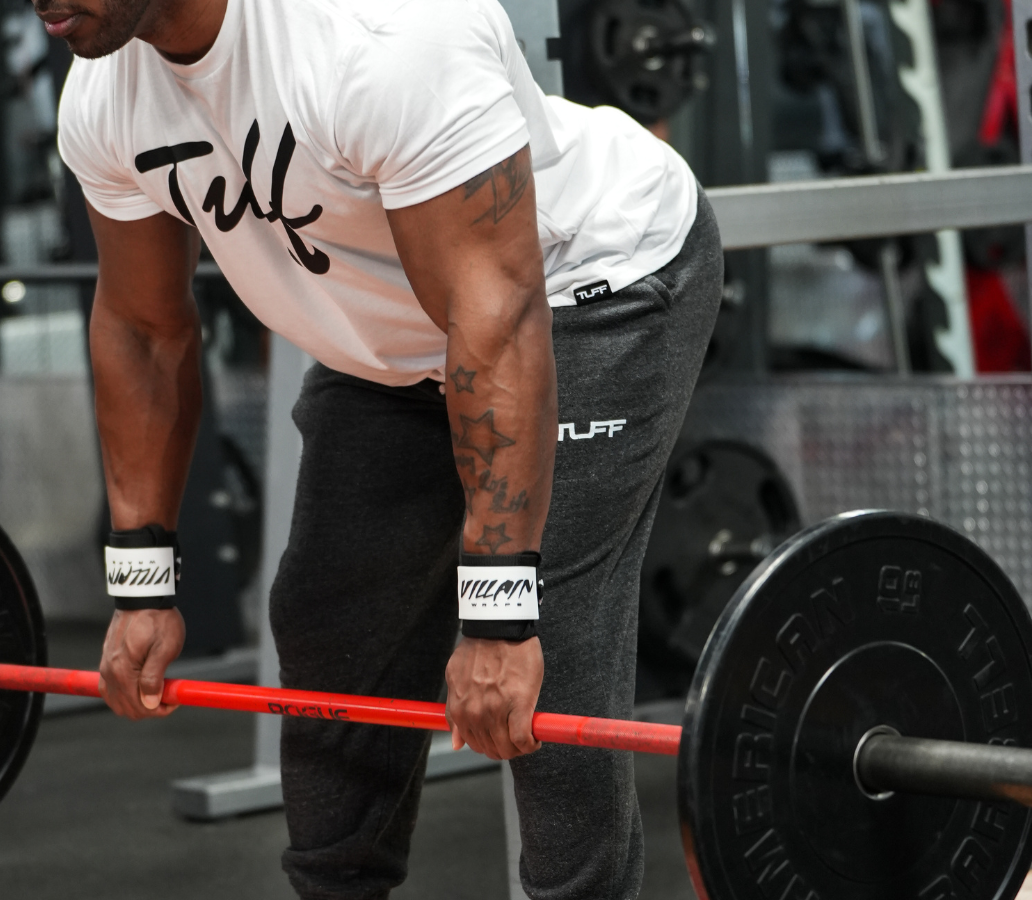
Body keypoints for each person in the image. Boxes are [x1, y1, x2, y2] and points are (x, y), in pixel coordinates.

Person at [39, 0, 722, 895]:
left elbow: (498, 316)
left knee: (546, 654)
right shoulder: (103, 92)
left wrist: (498, 614)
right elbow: (142, 330)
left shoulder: (384, 40)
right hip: (404, 337)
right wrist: (142, 586)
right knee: (329, 616)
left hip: (587, 283)